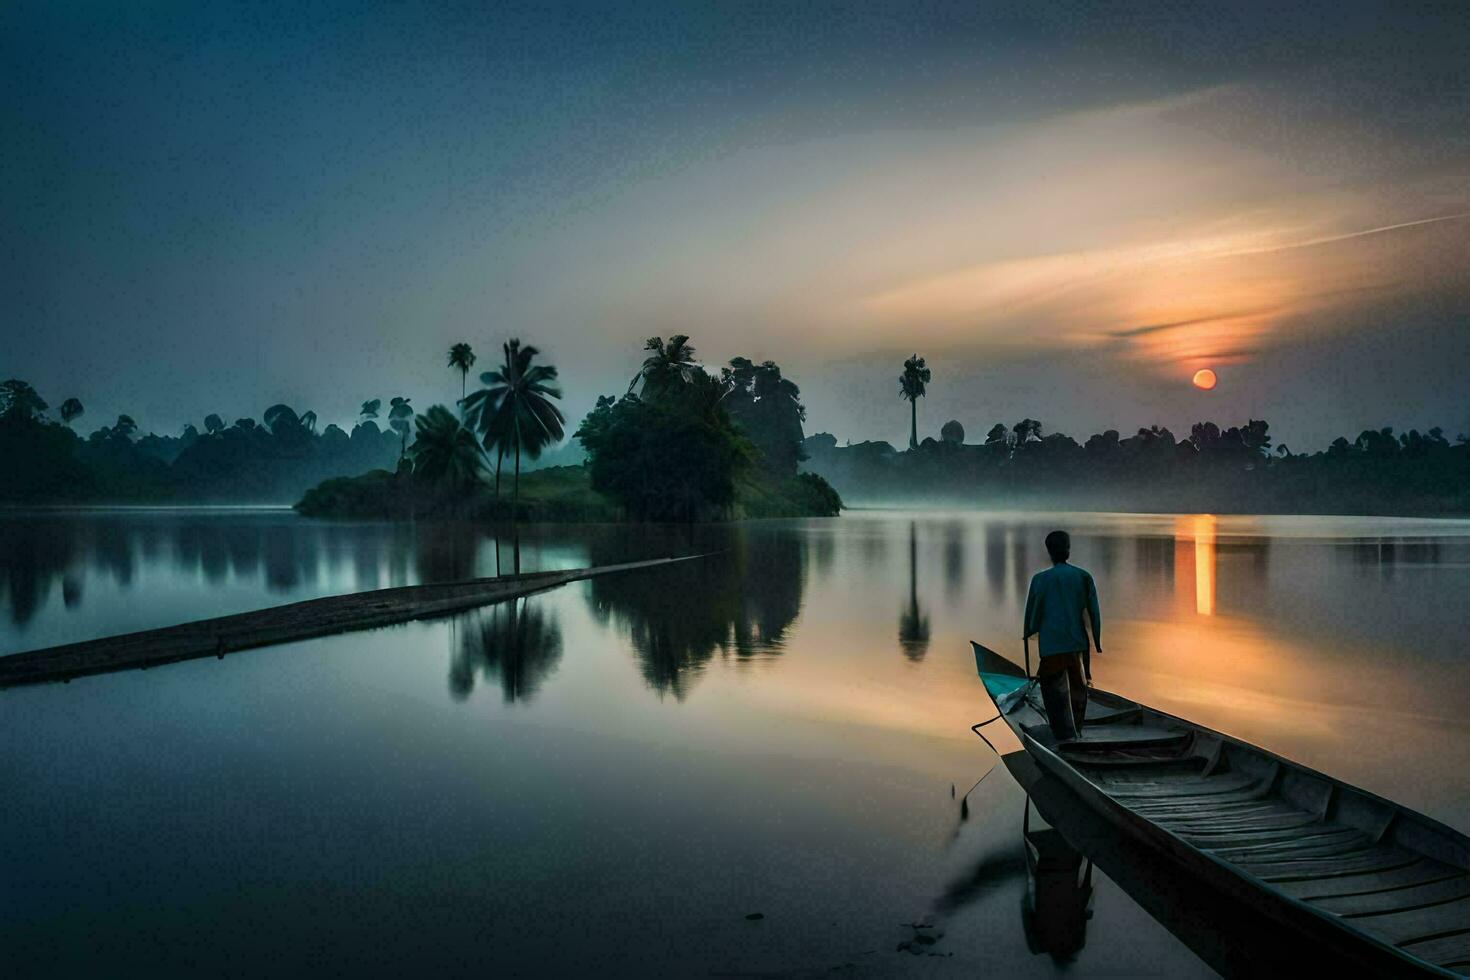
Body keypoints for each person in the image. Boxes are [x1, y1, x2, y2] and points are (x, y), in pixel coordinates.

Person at [1023, 530, 1102, 741]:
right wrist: (1097, 640)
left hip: (1051, 646)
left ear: (1049, 551)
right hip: (1077, 644)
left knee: (1053, 690)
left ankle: (1062, 736)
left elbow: (1033, 613)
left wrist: (1028, 631)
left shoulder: (1040, 580)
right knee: (1078, 688)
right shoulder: (1083, 576)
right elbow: (1093, 612)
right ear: (1068, 550)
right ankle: (1076, 731)